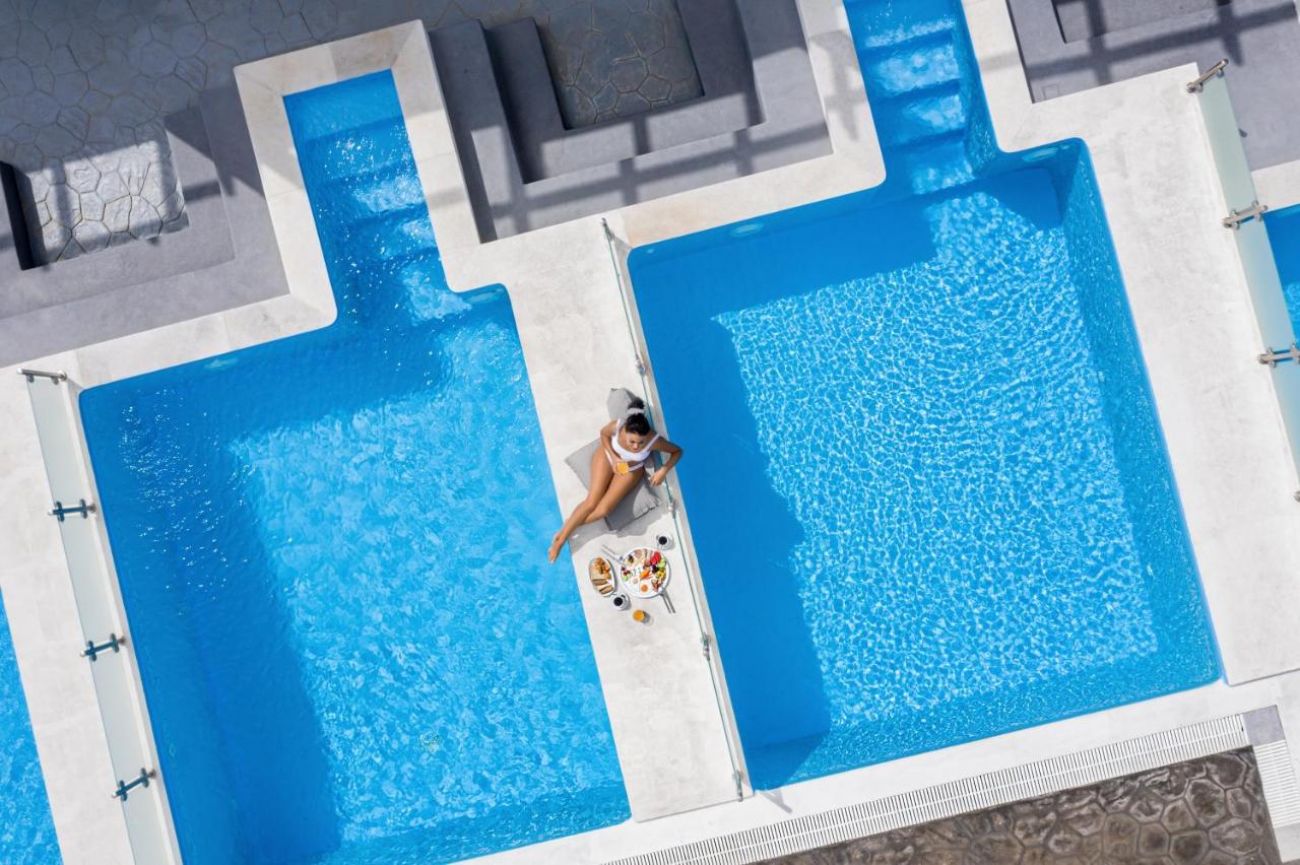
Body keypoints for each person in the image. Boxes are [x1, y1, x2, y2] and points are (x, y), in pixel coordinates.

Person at [548, 398, 683, 562]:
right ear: (625, 430)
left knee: (603, 511)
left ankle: (568, 526)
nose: (636, 446)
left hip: (630, 470)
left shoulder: (654, 441)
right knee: (591, 502)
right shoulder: (618, 426)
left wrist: (663, 470)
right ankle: (560, 541)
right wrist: (614, 457)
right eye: (632, 441)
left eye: (640, 443)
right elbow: (603, 434)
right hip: (608, 458)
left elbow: (677, 452)